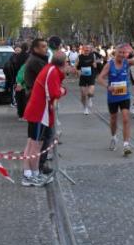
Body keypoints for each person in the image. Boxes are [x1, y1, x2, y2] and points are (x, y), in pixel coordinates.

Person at [22, 51, 67, 186]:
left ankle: (29, 173)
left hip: (37, 111)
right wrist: (63, 91)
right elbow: (54, 93)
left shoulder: (49, 68)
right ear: (64, 63)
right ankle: (33, 174)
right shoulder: (52, 71)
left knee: (32, 143)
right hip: (40, 113)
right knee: (36, 144)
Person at [98, 44, 134, 156]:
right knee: (113, 119)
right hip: (113, 96)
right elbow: (100, 78)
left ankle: (126, 144)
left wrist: (133, 52)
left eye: (124, 53)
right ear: (116, 52)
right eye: (120, 52)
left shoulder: (127, 62)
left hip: (125, 96)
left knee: (125, 118)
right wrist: (108, 86)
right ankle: (114, 137)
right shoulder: (109, 64)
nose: (122, 55)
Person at [76, 44, 98, 115]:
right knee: (83, 94)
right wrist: (77, 71)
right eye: (85, 49)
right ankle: (85, 108)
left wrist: (95, 65)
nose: (87, 50)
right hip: (83, 76)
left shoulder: (93, 55)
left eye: (88, 49)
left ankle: (90, 99)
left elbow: (95, 64)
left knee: (90, 92)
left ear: (90, 50)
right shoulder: (79, 57)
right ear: (83, 49)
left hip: (91, 75)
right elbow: (75, 66)